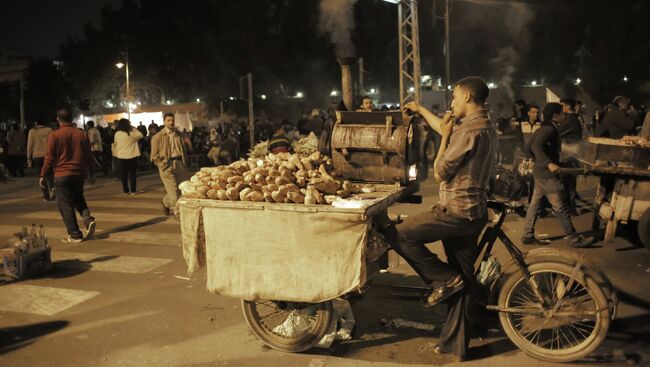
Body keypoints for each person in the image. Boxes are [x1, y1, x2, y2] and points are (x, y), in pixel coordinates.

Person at [390, 76, 497, 361]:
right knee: (463, 277)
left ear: (466, 97)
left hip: (456, 210)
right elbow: (443, 126)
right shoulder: (484, 123)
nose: (451, 103)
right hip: (475, 211)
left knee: (400, 235)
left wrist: (446, 138)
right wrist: (420, 108)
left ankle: (443, 279)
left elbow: (440, 171)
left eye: (454, 98)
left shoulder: (465, 132)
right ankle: (455, 344)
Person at [521, 102, 593, 248]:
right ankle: (573, 238)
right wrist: (548, 163)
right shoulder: (549, 130)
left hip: (540, 174)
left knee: (534, 205)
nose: (564, 115)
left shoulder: (544, 128)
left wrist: (540, 162)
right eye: (562, 113)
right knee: (560, 206)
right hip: (548, 176)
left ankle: (527, 235)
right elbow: (535, 146)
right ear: (555, 116)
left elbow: (528, 148)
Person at [41, 107, 96, 243]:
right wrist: (92, 173)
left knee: (65, 205)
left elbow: (49, 158)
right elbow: (88, 155)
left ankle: (75, 234)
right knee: (78, 198)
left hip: (62, 174)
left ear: (58, 120)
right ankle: (88, 219)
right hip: (79, 173)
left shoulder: (54, 135)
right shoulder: (81, 134)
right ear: (71, 119)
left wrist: (43, 175)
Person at [151, 113, 187, 215]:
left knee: (181, 188)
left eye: (172, 120)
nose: (171, 122)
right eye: (168, 120)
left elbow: (184, 149)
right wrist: (161, 164)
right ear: (164, 122)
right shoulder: (158, 137)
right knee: (174, 195)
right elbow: (153, 155)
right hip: (167, 165)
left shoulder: (179, 134)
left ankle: (165, 202)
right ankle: (178, 213)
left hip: (179, 163)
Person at [113, 118, 144, 194]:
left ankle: (125, 190)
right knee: (132, 174)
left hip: (121, 156)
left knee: (124, 174)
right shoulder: (131, 132)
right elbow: (141, 135)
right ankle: (133, 190)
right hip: (131, 156)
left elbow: (115, 143)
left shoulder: (117, 133)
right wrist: (133, 128)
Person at [27, 119, 54, 200]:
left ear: (36, 123)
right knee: (50, 174)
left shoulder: (32, 131)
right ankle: (53, 188)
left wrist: (29, 158)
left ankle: (46, 195)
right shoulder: (50, 130)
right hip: (49, 155)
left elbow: (30, 146)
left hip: (37, 156)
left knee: (41, 175)